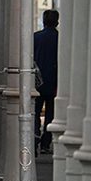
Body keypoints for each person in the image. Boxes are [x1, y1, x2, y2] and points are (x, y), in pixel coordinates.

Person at [34, 9, 59, 154]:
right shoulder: (60, 39)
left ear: (43, 22)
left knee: (36, 111)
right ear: (57, 22)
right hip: (54, 82)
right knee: (50, 113)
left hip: (37, 82)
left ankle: (35, 137)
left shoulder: (35, 38)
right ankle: (45, 142)